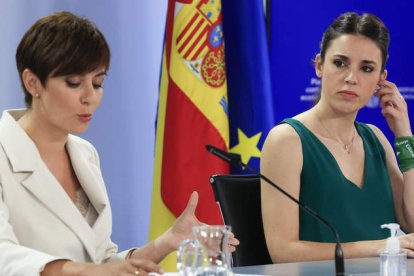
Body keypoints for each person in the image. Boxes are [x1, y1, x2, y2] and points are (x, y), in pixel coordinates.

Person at [0, 11, 238, 275]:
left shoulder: (85, 154)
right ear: (32, 82)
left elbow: (100, 264)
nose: (90, 97)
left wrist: (166, 242)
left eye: (98, 83)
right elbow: (4, 256)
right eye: (75, 83)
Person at [261, 12, 414, 263]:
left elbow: (411, 223)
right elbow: (283, 251)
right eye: (340, 63)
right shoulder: (287, 140)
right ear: (320, 65)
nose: (351, 78)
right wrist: (383, 246)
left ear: (380, 79)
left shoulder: (375, 138)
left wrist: (405, 135)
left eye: (366, 68)